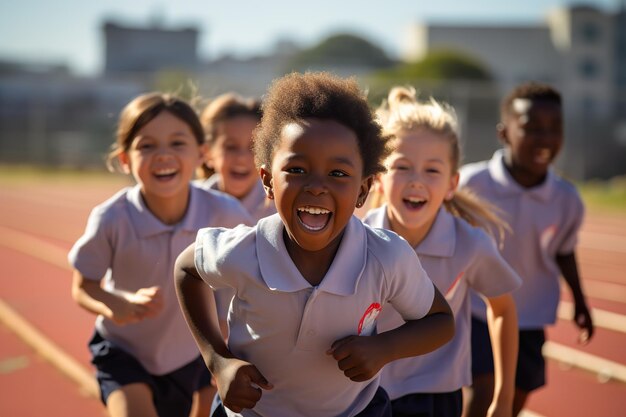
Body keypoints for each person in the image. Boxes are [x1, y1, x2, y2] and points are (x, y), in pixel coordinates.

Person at [174, 72, 455, 417]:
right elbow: (187, 269)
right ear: (267, 180)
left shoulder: (386, 256)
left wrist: (385, 348)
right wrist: (218, 361)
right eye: (297, 169)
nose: (317, 186)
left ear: (364, 190)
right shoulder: (243, 251)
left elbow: (441, 321)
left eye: (338, 174)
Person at [68, 92, 252, 417]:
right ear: (125, 159)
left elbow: (253, 276)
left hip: (197, 353)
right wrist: (115, 304)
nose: (163, 155)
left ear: (201, 153)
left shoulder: (226, 214)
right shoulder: (112, 218)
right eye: (147, 146)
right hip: (124, 353)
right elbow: (83, 286)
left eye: (178, 143)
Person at [363, 86, 521, 417]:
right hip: (363, 393)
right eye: (402, 167)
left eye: (432, 170)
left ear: (452, 183)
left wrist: (503, 398)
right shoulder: (356, 241)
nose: (416, 181)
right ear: (378, 178)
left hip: (436, 396)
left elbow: (503, 309)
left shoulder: (469, 244)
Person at [459, 82, 594, 416]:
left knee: (512, 405)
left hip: (531, 315)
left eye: (554, 129)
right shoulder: (470, 185)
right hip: (478, 311)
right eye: (532, 128)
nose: (545, 138)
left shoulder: (567, 199)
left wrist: (580, 300)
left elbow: (564, 250)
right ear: (504, 134)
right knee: (484, 396)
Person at [196, 92, 276, 222]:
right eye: (231, 147)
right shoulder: (188, 205)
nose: (242, 158)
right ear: (208, 152)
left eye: (253, 148)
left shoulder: (280, 210)